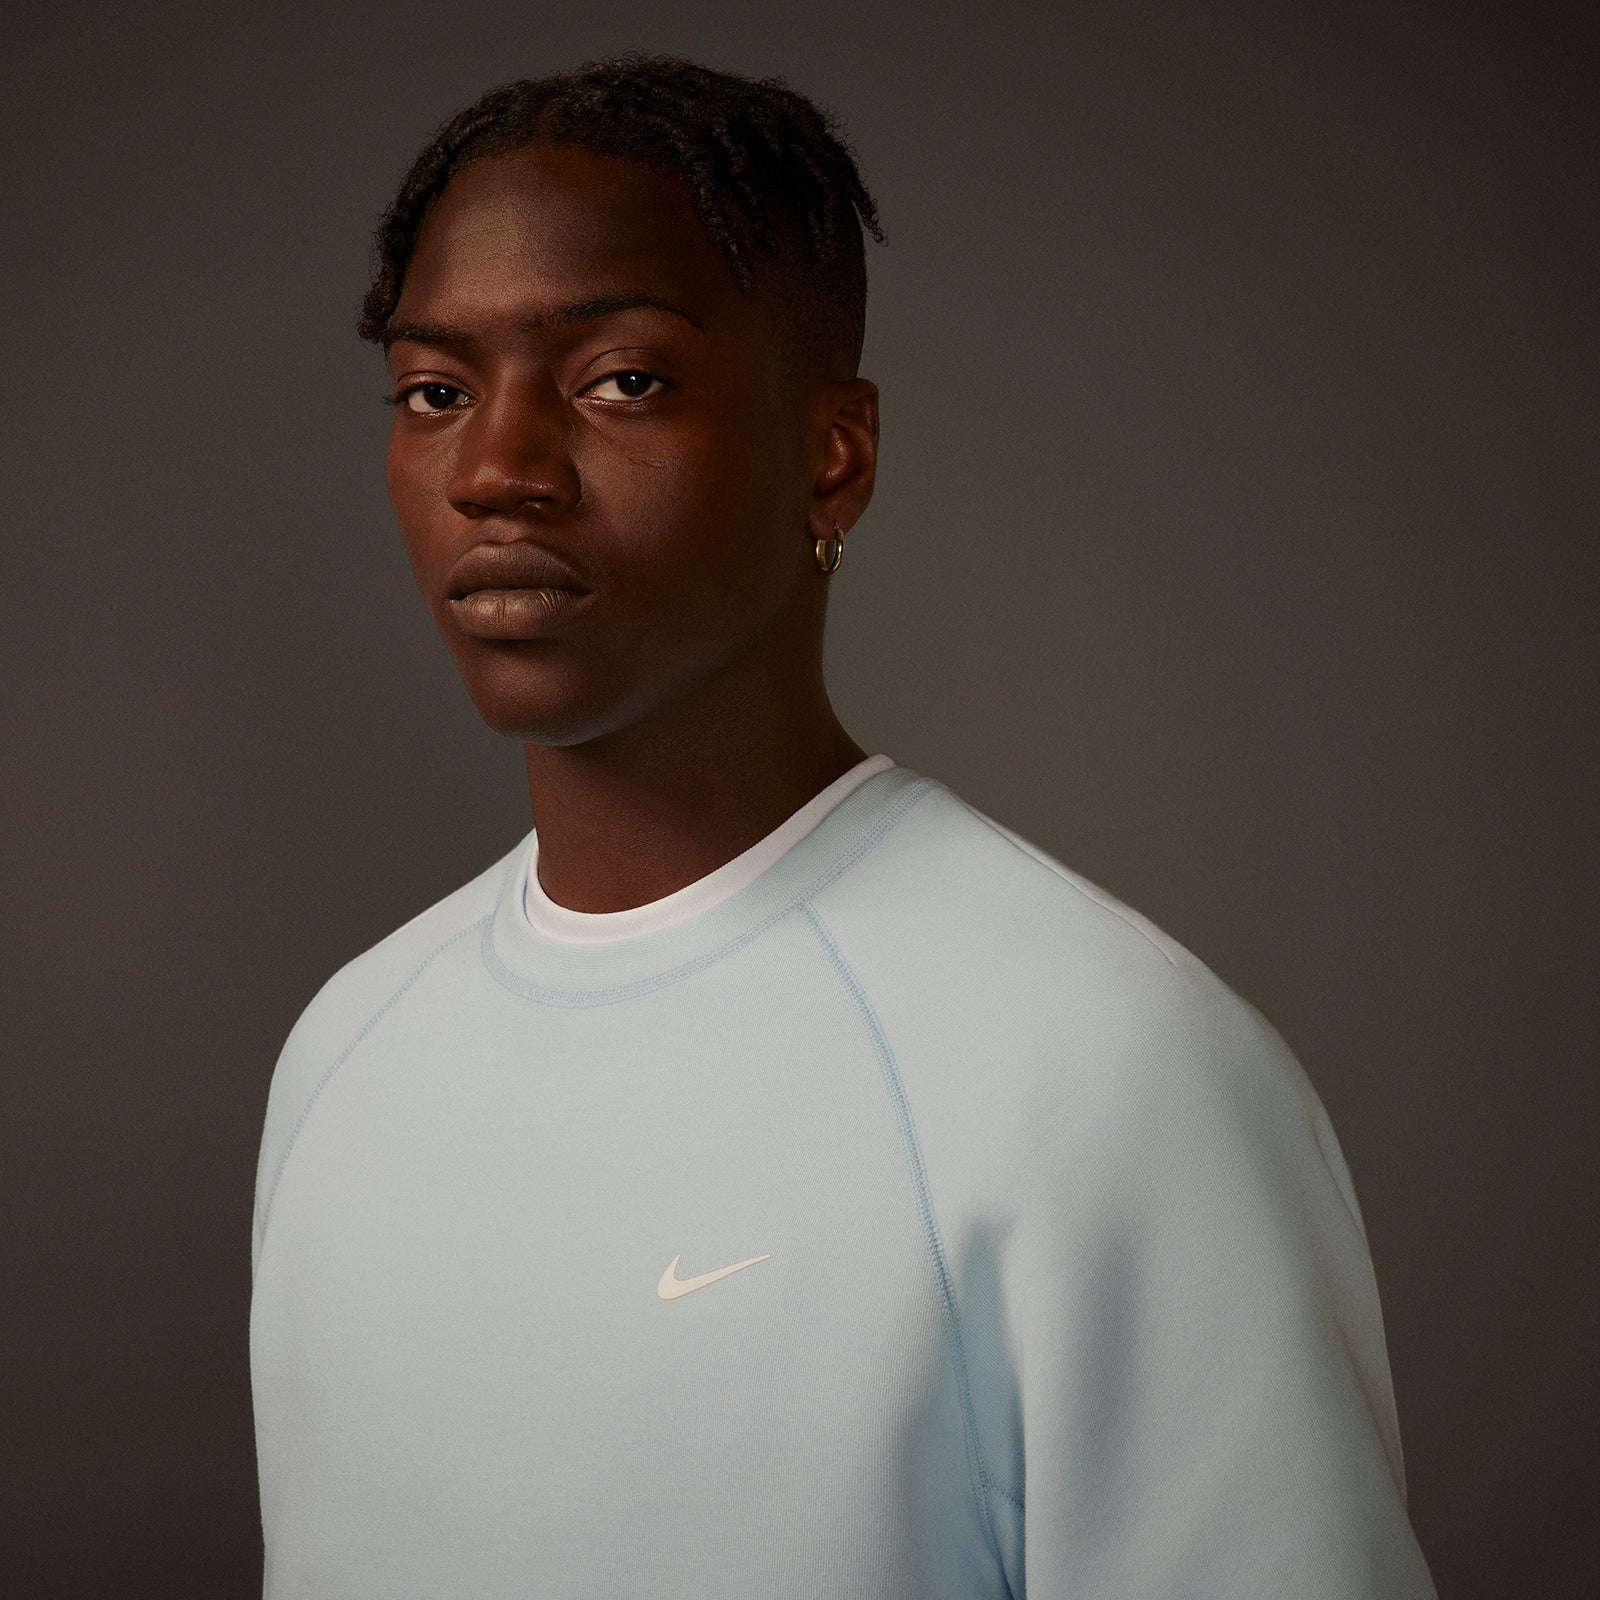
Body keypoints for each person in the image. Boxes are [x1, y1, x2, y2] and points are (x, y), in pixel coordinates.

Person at [249, 54, 1437, 1599]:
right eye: (435, 392)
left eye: (622, 380)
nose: (499, 471)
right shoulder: (346, 1053)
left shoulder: (1108, 1071)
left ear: (836, 456)